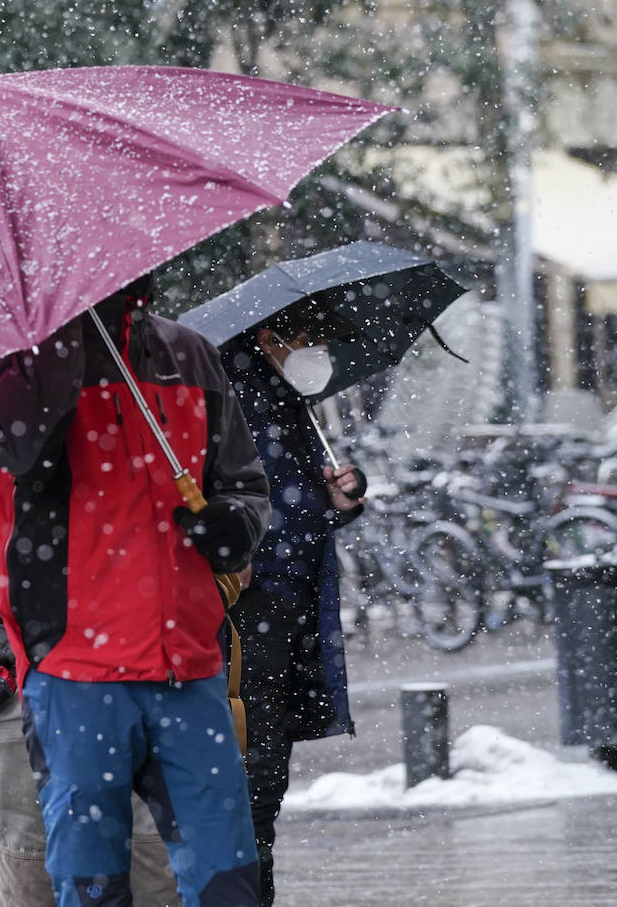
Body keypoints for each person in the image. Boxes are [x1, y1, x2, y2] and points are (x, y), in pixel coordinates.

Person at [0, 274, 272, 906]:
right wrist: (53, 356)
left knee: (228, 877)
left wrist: (233, 524)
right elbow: (7, 452)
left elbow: (242, 481)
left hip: (188, 665)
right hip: (76, 672)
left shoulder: (189, 354)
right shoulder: (8, 362)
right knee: (90, 879)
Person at [0, 387, 181, 907]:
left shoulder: (148, 388)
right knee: (36, 879)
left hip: (146, 685)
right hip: (27, 693)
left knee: (156, 877)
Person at [218, 301, 366, 906]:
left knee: (263, 779)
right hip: (251, 611)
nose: (315, 349)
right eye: (307, 336)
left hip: (287, 608)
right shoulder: (232, 397)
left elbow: (289, 498)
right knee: (249, 778)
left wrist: (337, 502)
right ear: (267, 334)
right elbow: (240, 506)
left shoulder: (283, 397)